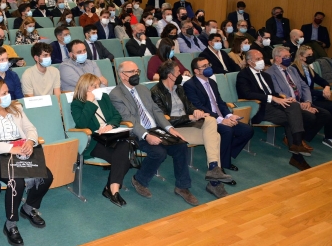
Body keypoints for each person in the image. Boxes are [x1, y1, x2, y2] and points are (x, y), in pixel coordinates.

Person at [0, 79, 52, 246]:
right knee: (16, 182)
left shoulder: (16, 108)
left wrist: (30, 141)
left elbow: (31, 128)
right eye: (4, 93)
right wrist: (10, 148)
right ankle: (11, 224)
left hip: (21, 150)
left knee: (46, 176)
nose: (8, 95)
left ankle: (28, 207)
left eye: (8, 92)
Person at [108, 60, 199, 206]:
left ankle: (182, 187)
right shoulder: (116, 94)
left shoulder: (143, 89)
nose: (136, 74)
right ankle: (139, 180)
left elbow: (157, 111)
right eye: (132, 72)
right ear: (122, 75)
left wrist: (170, 129)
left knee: (181, 145)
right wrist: (146, 135)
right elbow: (128, 119)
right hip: (137, 133)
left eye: (137, 71)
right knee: (159, 152)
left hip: (156, 129)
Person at [151, 61, 232, 197]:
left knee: (210, 120)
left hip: (187, 125)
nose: (180, 74)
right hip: (172, 130)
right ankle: (214, 181)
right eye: (178, 72)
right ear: (170, 75)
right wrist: (188, 117)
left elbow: (190, 107)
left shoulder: (180, 89)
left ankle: (213, 169)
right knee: (215, 136)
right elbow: (163, 119)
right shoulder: (156, 92)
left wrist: (197, 112)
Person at [236, 50, 312, 171]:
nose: (262, 61)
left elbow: (274, 93)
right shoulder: (243, 75)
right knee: (292, 118)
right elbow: (247, 94)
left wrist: (285, 98)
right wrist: (273, 98)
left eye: (262, 58)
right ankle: (297, 154)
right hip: (259, 107)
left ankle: (296, 145)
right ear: (249, 62)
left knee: (294, 106)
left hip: (273, 105)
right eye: (258, 59)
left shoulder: (266, 75)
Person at [184, 57, 254, 173]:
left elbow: (220, 102)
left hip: (220, 116)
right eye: (204, 66)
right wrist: (221, 120)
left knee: (247, 130)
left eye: (208, 64)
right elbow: (199, 106)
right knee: (227, 131)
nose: (208, 68)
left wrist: (228, 116)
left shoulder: (211, 82)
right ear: (196, 71)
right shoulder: (190, 85)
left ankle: (225, 156)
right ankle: (220, 165)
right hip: (206, 119)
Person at [71, 74, 131, 207]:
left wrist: (110, 125)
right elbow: (81, 124)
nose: (98, 88)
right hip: (94, 141)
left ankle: (112, 189)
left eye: (99, 85)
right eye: (95, 86)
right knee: (124, 160)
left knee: (124, 147)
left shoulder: (104, 97)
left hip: (111, 135)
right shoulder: (77, 103)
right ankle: (112, 191)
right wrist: (89, 103)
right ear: (86, 88)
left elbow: (117, 115)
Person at [265, 46, 331, 149]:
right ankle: (297, 139)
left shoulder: (292, 69)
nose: (289, 58)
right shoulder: (270, 73)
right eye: (285, 56)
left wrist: (308, 102)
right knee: (310, 116)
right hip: (289, 103)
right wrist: (301, 105)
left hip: (302, 101)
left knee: (325, 114)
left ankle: (302, 138)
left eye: (289, 56)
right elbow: (278, 92)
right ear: (277, 58)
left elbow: (304, 86)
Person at [293, 45, 332, 148]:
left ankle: (330, 136)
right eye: (309, 55)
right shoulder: (294, 69)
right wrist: (321, 93)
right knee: (331, 109)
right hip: (304, 99)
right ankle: (323, 137)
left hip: (313, 97)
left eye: (312, 55)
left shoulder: (308, 68)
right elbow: (302, 90)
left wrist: (326, 87)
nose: (311, 57)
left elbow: (321, 80)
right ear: (301, 56)